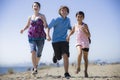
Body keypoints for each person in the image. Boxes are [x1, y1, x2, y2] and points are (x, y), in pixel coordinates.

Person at [20, 2, 48, 74]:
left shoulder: (42, 16)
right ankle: (35, 68)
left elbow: (46, 26)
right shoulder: (30, 17)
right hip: (31, 36)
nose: (35, 7)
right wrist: (23, 29)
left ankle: (35, 65)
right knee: (33, 51)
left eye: (37, 6)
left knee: (39, 54)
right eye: (34, 6)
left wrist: (43, 20)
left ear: (39, 7)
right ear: (32, 8)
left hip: (41, 37)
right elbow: (27, 25)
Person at [46, 6, 72, 79]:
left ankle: (66, 73)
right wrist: (48, 35)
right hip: (55, 41)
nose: (64, 11)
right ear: (60, 11)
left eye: (65, 10)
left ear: (67, 12)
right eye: (62, 10)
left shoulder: (68, 20)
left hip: (64, 41)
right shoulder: (56, 19)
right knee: (58, 57)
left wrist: (69, 35)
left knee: (65, 56)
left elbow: (70, 28)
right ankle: (55, 55)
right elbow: (48, 27)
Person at [67, 11, 91, 77]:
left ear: (83, 18)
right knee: (79, 53)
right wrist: (68, 36)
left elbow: (89, 35)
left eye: (81, 17)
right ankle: (78, 67)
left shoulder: (85, 25)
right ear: (76, 17)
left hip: (85, 42)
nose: (79, 18)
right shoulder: (75, 25)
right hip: (78, 42)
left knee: (85, 58)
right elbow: (72, 31)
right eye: (78, 16)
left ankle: (85, 71)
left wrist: (84, 31)